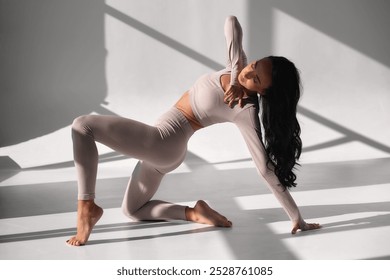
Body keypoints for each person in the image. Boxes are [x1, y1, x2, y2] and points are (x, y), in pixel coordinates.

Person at [66, 15, 320, 246]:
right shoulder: (238, 68)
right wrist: (235, 77)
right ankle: (195, 212)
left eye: (254, 79)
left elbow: (265, 169)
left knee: (83, 126)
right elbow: (232, 23)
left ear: (264, 92)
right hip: (162, 147)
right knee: (132, 210)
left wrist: (297, 218)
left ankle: (86, 206)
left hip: (163, 143)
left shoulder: (245, 109)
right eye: (253, 65)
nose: (247, 73)